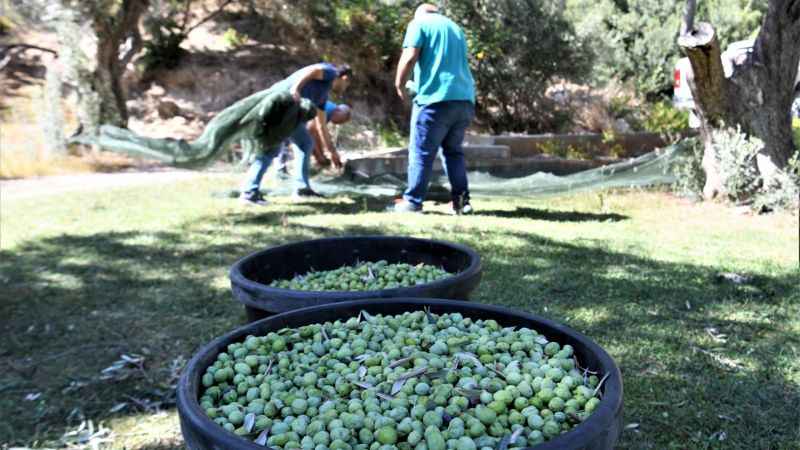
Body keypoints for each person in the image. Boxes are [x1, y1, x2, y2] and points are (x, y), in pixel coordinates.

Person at [391, 4, 476, 214]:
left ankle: (412, 202)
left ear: (418, 13)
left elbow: (410, 56)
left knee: (421, 152)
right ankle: (462, 202)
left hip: (435, 100)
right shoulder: (456, 28)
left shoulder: (418, 23)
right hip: (464, 100)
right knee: (453, 152)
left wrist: (399, 84)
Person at [241, 63, 351, 205]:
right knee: (271, 150)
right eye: (347, 85)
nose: (344, 89)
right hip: (280, 105)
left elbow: (321, 127)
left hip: (290, 115)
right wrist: (296, 88)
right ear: (344, 78)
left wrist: (332, 152)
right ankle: (249, 193)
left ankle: (302, 189)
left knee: (305, 143)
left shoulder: (322, 96)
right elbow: (313, 70)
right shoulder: (331, 72)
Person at [277, 101, 352, 176]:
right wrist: (319, 156)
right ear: (338, 111)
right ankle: (281, 171)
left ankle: (287, 170)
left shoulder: (331, 112)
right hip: (289, 118)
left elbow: (317, 134)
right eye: (342, 120)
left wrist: (322, 154)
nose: (339, 123)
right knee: (284, 144)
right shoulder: (328, 110)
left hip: (295, 119)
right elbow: (310, 132)